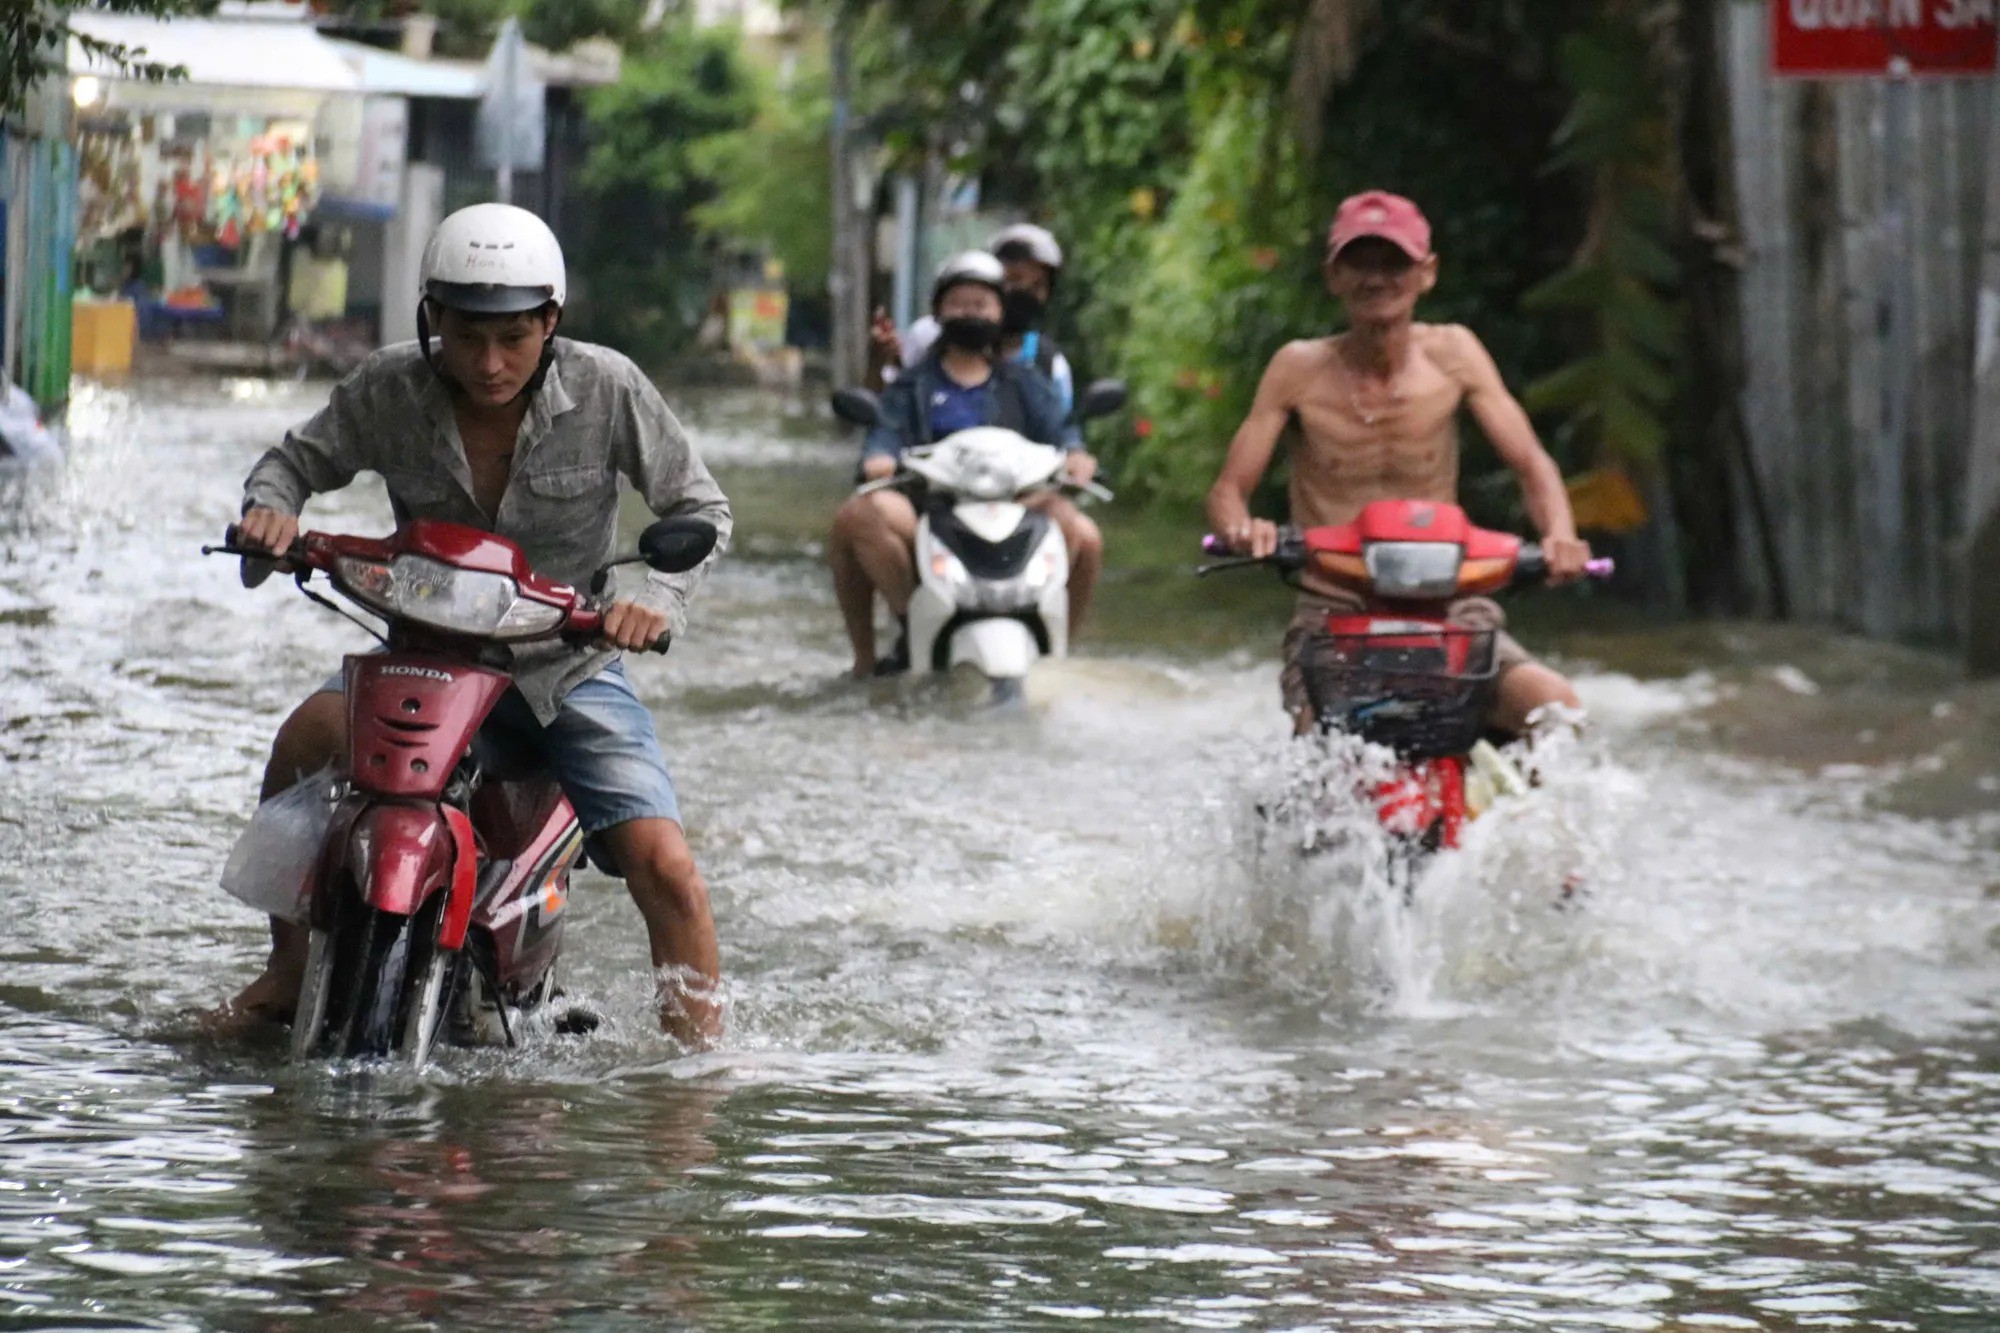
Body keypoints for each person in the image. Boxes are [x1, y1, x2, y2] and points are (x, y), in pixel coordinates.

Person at [216, 203, 733, 1046]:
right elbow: (290, 464)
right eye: (465, 338)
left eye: (515, 339)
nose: (489, 363)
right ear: (433, 324)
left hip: (565, 666)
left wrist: (652, 599)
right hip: (423, 657)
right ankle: (287, 968)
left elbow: (700, 507)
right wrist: (270, 517)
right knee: (298, 744)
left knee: (667, 866)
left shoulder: (609, 387)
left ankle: (697, 1072)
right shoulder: (387, 387)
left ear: (551, 325)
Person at [1206, 190, 1593, 738]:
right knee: (1322, 744)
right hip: (1333, 609)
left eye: (1394, 263)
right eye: (1359, 263)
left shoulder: (1455, 354)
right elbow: (1227, 492)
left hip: (1453, 607)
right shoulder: (1296, 368)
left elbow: (1532, 462)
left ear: (1427, 273)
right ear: (1334, 276)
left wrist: (1560, 536)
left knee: (1558, 711)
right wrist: (1243, 531)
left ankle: (1511, 823)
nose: (1376, 279)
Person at [830, 250, 1097, 676]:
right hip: (933, 511)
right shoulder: (914, 384)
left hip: (1016, 507)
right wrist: (879, 458)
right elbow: (884, 431)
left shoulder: (1025, 381)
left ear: (999, 312)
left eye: (980, 304)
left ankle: (1054, 643)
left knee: (1083, 531)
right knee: (856, 517)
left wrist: (1078, 456)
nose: (969, 312)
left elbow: (1061, 431)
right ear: (938, 311)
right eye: (959, 303)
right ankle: (896, 633)